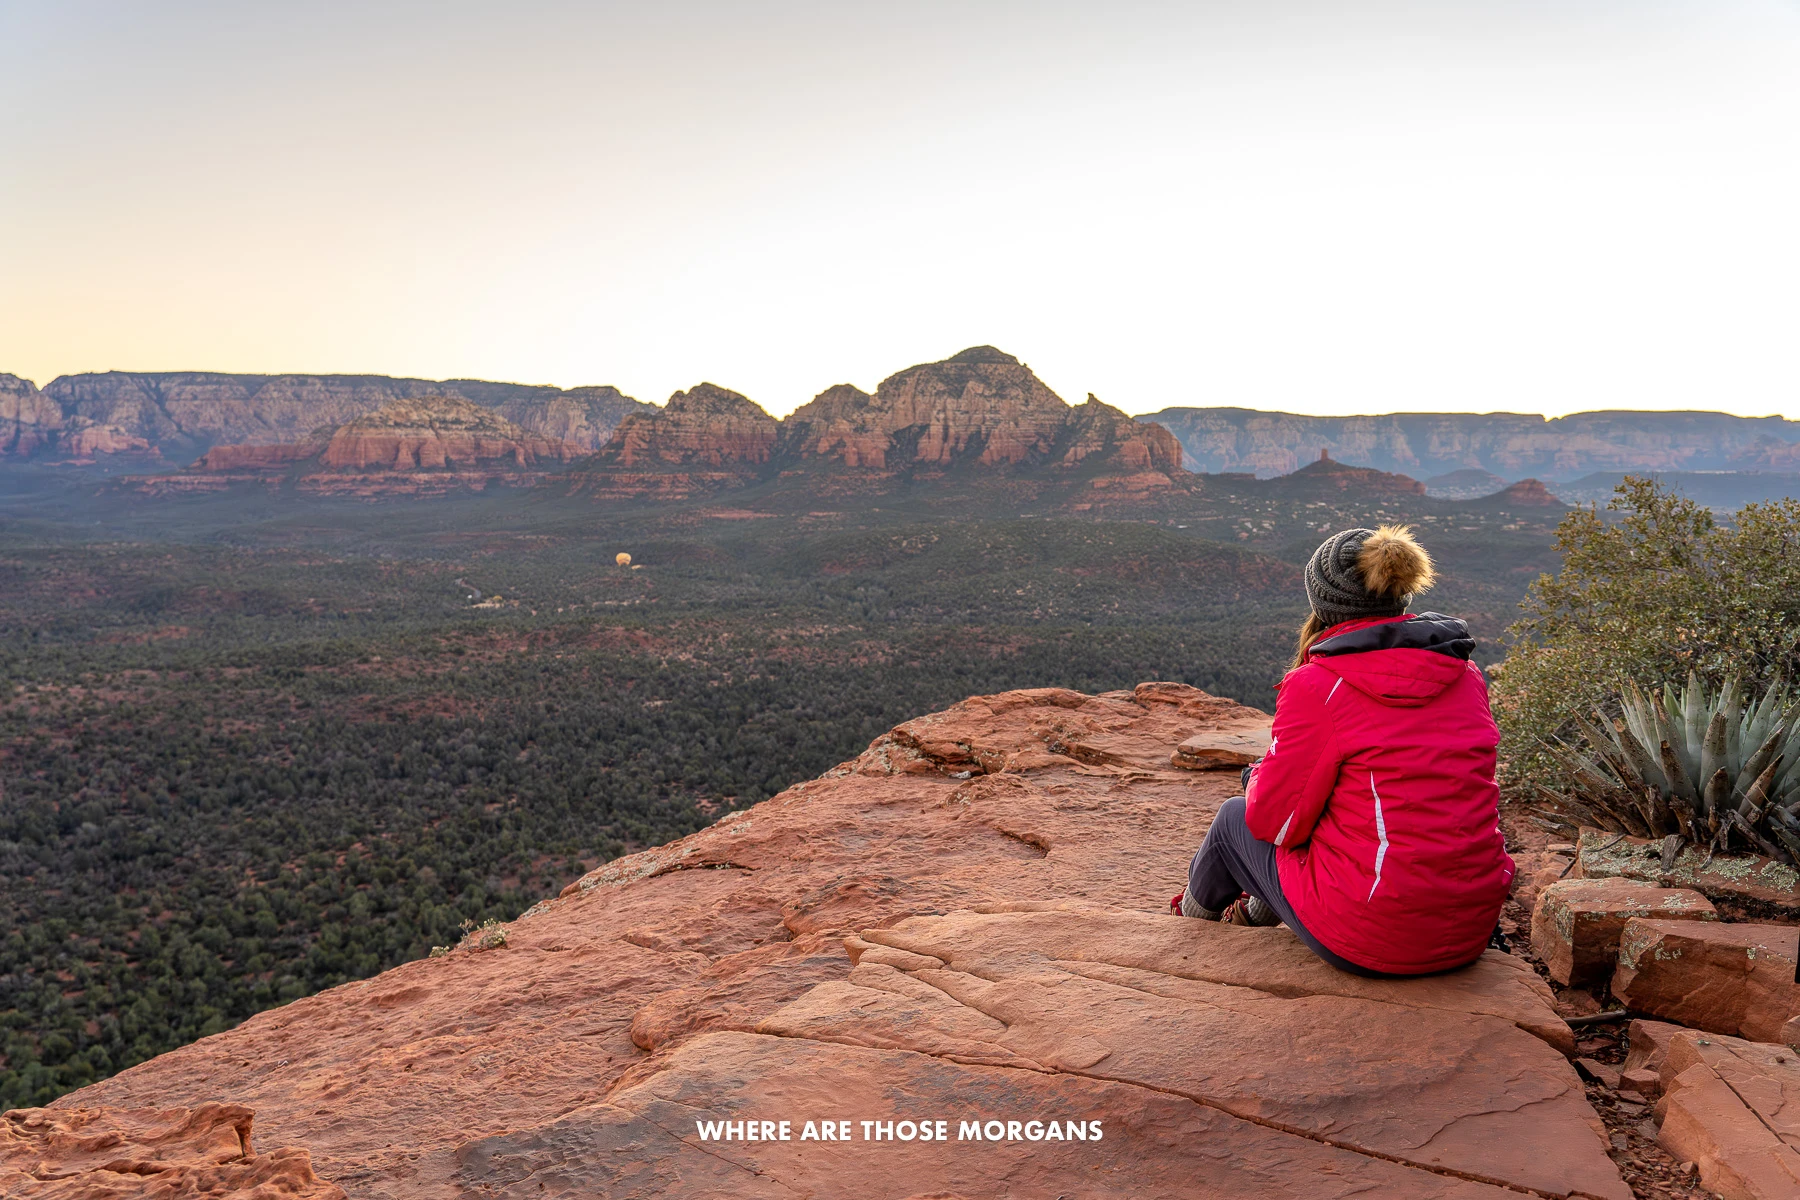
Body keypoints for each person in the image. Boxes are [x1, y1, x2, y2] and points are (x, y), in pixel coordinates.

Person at [1170, 525, 1515, 977]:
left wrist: (1256, 780)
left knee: (1235, 818)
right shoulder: (1463, 671)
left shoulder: (1319, 685)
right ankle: (1252, 918)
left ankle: (1184, 932)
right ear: (1400, 596)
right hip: (1470, 926)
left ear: (1323, 603)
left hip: (1376, 935)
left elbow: (1275, 823)